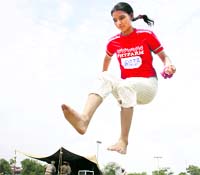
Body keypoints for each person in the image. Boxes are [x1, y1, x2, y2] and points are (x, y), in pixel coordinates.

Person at [61, 2, 176, 154]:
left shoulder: (146, 35)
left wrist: (169, 65)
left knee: (125, 85)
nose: (118, 23)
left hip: (148, 86)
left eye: (122, 18)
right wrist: (104, 81)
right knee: (105, 76)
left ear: (131, 16)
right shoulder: (113, 42)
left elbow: (164, 56)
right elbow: (106, 60)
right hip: (126, 89)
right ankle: (84, 120)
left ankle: (123, 141)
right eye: (115, 20)